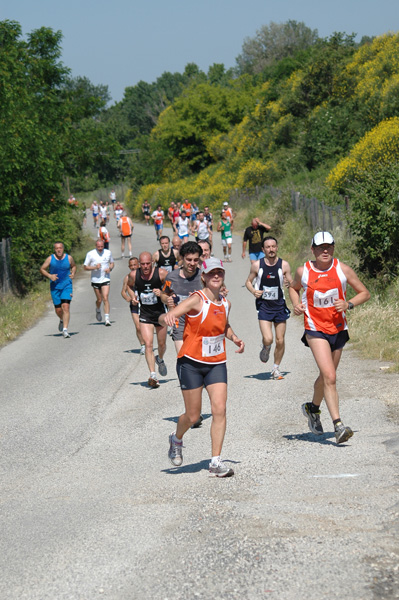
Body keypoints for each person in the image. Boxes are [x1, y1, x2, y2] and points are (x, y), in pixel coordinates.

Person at [160, 257, 245, 477]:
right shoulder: (196, 300)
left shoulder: (225, 303)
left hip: (216, 363)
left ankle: (215, 462)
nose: (216, 276)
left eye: (220, 272)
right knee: (192, 415)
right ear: (204, 277)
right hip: (191, 363)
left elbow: (223, 325)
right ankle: (176, 438)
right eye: (212, 273)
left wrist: (234, 338)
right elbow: (168, 316)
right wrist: (167, 317)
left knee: (220, 409)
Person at [289, 231, 370, 444]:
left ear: (333, 248)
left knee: (327, 376)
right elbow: (293, 288)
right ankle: (338, 426)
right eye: (320, 247)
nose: (325, 251)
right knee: (330, 377)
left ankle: (312, 409)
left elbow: (365, 293)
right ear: (313, 249)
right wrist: (296, 304)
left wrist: (348, 304)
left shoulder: (342, 270)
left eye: (328, 247)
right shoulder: (303, 271)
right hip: (315, 329)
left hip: (338, 328)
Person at [245, 236, 292, 380]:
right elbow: (248, 282)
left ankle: (276, 368)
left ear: (277, 247)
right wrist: (254, 291)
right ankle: (266, 347)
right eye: (268, 247)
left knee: (280, 340)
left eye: (273, 246)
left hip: (279, 306)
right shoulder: (256, 265)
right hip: (264, 306)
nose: (271, 249)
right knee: (268, 338)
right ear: (263, 250)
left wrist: (290, 283)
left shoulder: (284, 265)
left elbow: (291, 282)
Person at [128, 252, 169, 388]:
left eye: (148, 264)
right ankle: (153, 376)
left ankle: (160, 359)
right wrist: (132, 296)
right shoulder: (134, 275)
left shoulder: (162, 273)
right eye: (143, 264)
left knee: (162, 345)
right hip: (145, 315)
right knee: (148, 345)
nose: (145, 267)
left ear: (152, 262)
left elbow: (170, 290)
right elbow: (128, 286)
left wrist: (162, 292)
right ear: (139, 264)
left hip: (160, 314)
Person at [40, 242, 76, 338]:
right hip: (55, 287)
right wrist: (49, 275)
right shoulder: (50, 259)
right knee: (58, 310)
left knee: (66, 307)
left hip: (66, 286)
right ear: (54, 249)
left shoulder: (69, 258)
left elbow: (74, 266)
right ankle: (61, 319)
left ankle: (65, 330)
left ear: (63, 249)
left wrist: (73, 273)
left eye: (60, 248)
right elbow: (42, 269)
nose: (59, 250)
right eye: (56, 248)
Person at [84, 239, 115, 327]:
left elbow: (112, 263)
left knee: (105, 297)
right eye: (98, 247)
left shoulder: (108, 252)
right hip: (95, 279)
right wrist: (94, 267)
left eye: (102, 246)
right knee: (99, 299)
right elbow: (85, 267)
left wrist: (110, 268)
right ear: (96, 246)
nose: (100, 248)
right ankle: (98, 309)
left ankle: (107, 319)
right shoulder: (90, 254)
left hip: (105, 278)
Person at [121, 257, 145, 355]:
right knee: (138, 327)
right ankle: (143, 345)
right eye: (131, 265)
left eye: (135, 265)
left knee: (146, 326)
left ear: (139, 265)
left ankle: (148, 343)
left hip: (145, 303)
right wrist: (128, 299)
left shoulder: (144, 275)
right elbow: (123, 291)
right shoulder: (128, 277)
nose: (133, 267)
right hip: (134, 304)